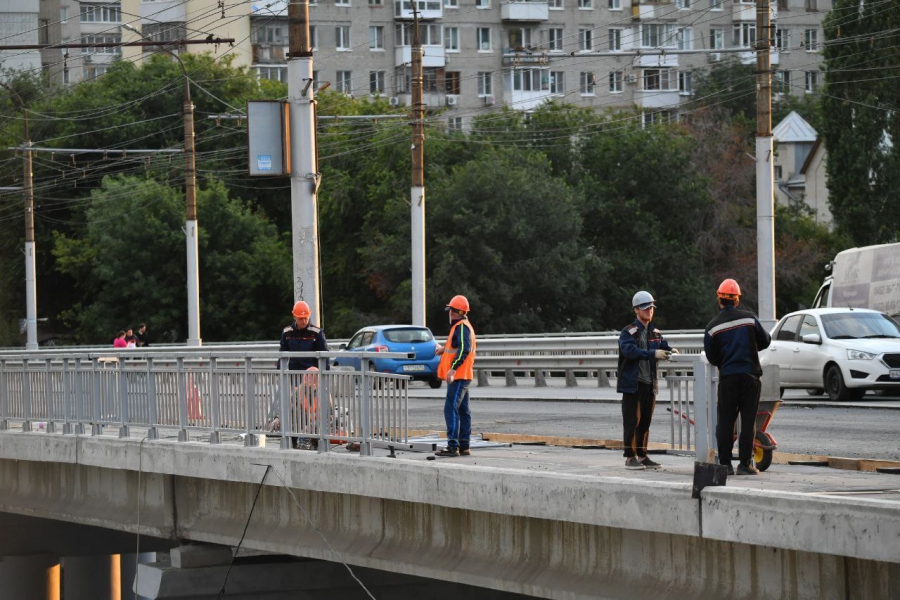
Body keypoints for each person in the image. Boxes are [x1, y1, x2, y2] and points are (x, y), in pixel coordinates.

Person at [703, 279, 772, 476]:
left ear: (719, 299)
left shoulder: (712, 327)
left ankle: (725, 465)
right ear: (737, 300)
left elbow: (712, 357)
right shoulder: (749, 319)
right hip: (751, 376)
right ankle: (745, 464)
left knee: (725, 421)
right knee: (748, 421)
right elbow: (766, 340)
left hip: (728, 378)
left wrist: (725, 362)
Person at [617, 291, 675, 470]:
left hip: (650, 384)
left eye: (651, 307)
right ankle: (630, 457)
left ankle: (642, 455)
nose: (649, 310)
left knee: (645, 422)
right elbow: (630, 351)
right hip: (633, 384)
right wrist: (653, 354)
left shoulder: (655, 332)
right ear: (636, 310)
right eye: (644, 307)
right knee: (631, 422)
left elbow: (664, 346)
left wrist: (672, 350)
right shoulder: (628, 332)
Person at [435, 295, 477, 458]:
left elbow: (464, 349)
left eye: (450, 310)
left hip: (458, 376)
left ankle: (453, 446)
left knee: (451, 407)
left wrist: (453, 369)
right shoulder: (463, 326)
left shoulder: (461, 327)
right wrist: (443, 349)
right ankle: (464, 445)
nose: (449, 313)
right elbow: (456, 346)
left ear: (455, 312)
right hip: (463, 375)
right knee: (463, 410)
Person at [279, 301, 328, 371]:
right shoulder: (287, 332)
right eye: (300, 319)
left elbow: (325, 355)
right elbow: (282, 354)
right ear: (294, 317)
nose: (304, 321)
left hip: (311, 374)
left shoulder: (317, 332)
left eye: (306, 318)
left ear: (309, 316)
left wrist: (324, 374)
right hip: (293, 373)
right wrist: (279, 373)